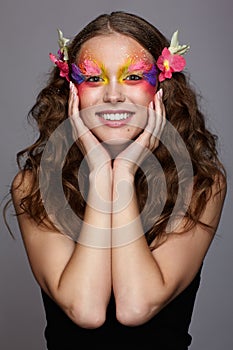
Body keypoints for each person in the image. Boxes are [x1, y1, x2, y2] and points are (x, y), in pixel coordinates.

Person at [9, 11, 226, 349]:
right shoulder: (33, 185)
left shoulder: (203, 185)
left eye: (134, 76)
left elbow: (136, 306)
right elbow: (86, 310)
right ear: (71, 90)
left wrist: (123, 170)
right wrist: (100, 171)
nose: (112, 95)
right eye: (94, 79)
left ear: (162, 86)